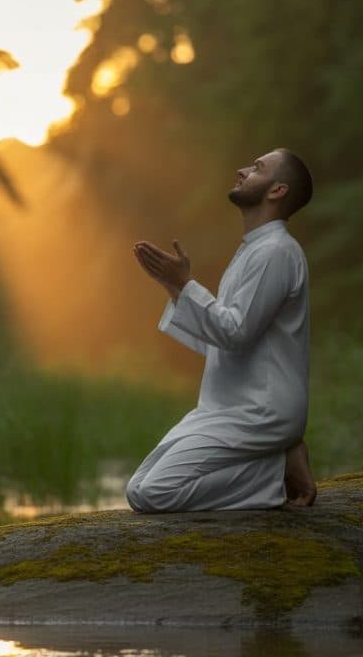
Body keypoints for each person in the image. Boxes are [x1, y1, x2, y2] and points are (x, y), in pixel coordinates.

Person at [127, 147, 316, 511]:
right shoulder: (253, 250)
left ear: (277, 190)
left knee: (155, 494)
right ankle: (279, 457)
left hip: (260, 410)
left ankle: (275, 472)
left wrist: (186, 284)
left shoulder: (276, 252)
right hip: (227, 407)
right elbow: (224, 343)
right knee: (138, 490)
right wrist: (174, 285)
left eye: (258, 167)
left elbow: (234, 332)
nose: (243, 170)